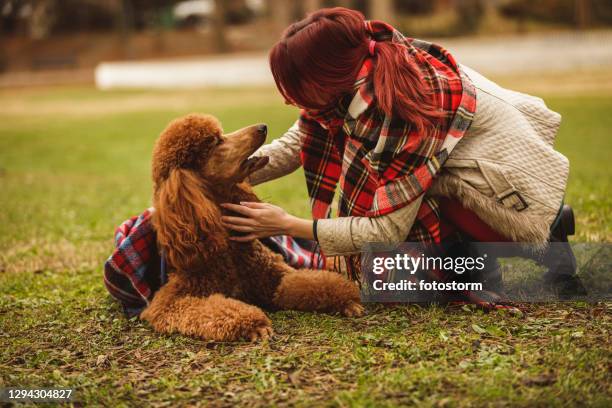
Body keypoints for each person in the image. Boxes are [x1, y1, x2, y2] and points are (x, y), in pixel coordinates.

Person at [221, 7, 584, 300]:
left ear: (326, 77)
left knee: (398, 286)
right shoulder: (357, 80)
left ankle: (539, 236)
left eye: (296, 85)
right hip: (448, 175)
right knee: (396, 276)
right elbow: (294, 145)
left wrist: (286, 224)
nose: (289, 98)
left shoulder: (407, 107)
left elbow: (385, 228)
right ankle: (466, 265)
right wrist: (214, 176)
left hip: (500, 191)